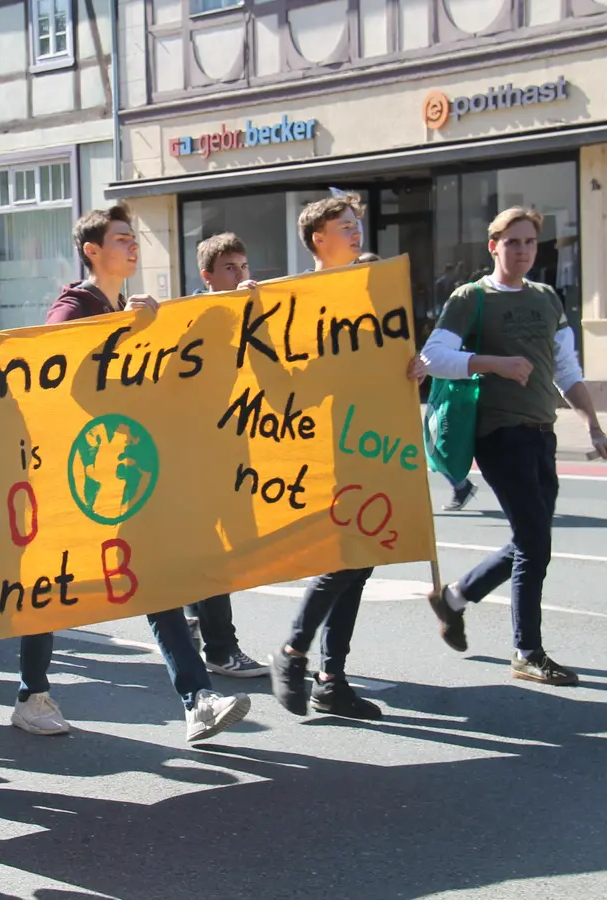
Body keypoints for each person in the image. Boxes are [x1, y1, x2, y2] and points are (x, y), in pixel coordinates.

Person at [18, 204, 251, 743]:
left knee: (155, 575)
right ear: (92, 250)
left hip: (122, 464)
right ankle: (31, 693)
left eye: (133, 238)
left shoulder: (128, 305)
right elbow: (54, 362)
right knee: (54, 579)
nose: (132, 245)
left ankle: (196, 699)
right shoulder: (76, 304)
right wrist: (126, 330)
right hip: (75, 466)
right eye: (121, 238)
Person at [420, 206, 607, 686]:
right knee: (534, 541)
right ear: (494, 247)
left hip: (540, 431)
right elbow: (431, 356)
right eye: (513, 242)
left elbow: (566, 369)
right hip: (497, 432)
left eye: (530, 242)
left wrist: (593, 424)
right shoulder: (472, 297)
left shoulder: (548, 298)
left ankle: (456, 597)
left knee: (531, 538)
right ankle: (527, 651)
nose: (523, 251)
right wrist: (492, 363)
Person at [267, 197, 426, 719]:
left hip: (379, 439)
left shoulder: (369, 290)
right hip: (337, 442)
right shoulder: (299, 297)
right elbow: (297, 381)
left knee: (363, 560)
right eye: (344, 226)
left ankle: (331, 679)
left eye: (357, 225)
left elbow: (387, 357)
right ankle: (293, 653)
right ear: (318, 238)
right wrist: (256, 317)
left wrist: (413, 365)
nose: (356, 233)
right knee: (347, 556)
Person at [166, 233, 270, 679]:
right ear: (207, 276)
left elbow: (272, 366)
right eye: (230, 268)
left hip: (229, 440)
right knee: (216, 551)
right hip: (193, 445)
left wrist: (257, 313)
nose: (241, 275)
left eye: (244, 267)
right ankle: (222, 648)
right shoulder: (193, 318)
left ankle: (193, 617)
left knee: (226, 544)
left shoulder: (245, 314)